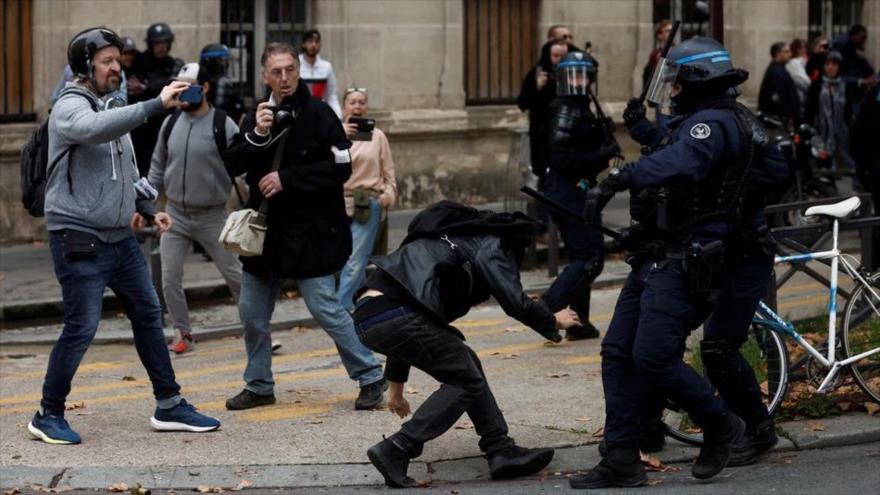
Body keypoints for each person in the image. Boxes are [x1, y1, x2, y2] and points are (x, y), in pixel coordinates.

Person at [573, 37, 769, 488]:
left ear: (698, 81)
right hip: (656, 256)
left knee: (654, 358)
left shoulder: (715, 124)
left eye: (678, 82)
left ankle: (720, 423)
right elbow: (675, 196)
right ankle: (621, 457)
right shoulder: (694, 122)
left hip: (686, 263)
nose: (672, 91)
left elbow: (680, 166)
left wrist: (618, 178)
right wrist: (637, 232)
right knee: (618, 353)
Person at [29, 27, 221, 445]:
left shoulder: (112, 103)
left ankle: (169, 404)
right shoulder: (68, 106)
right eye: (107, 61)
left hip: (119, 238)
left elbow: (124, 172)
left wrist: (148, 211)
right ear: (85, 66)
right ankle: (48, 413)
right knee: (82, 327)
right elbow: (95, 129)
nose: (117, 67)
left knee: (149, 316)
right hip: (78, 236)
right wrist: (156, 104)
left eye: (118, 60)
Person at [353, 201, 580, 488]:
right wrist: (552, 319)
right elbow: (514, 300)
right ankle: (398, 448)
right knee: (466, 378)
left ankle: (500, 449)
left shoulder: (446, 244)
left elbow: (407, 323)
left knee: (465, 361)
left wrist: (396, 392)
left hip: (368, 318)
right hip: (397, 314)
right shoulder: (492, 243)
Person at [223, 42, 386, 411]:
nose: (284, 78)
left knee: (326, 308)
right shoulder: (256, 116)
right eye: (276, 72)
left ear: (299, 71)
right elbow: (233, 163)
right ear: (264, 76)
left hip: (310, 232)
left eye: (290, 70)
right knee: (251, 313)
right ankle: (259, 384)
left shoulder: (320, 114)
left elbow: (341, 167)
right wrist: (257, 136)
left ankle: (371, 375)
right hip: (266, 236)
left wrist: (288, 179)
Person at [147, 62, 243, 354]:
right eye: (179, 85)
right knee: (169, 277)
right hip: (175, 215)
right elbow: (157, 167)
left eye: (188, 86)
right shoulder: (171, 123)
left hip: (213, 215)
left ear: (206, 88)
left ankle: (256, 327)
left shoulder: (223, 124)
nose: (183, 92)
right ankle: (182, 333)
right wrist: (147, 206)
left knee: (237, 275)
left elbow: (243, 167)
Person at [540, 51, 619, 341]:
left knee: (582, 255)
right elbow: (563, 160)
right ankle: (547, 309)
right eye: (572, 74)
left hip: (578, 191)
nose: (578, 80)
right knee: (589, 257)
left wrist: (603, 139)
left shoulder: (583, 106)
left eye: (582, 74)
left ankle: (578, 321)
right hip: (568, 192)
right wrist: (602, 152)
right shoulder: (566, 109)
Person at [336, 87, 398, 312]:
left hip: (368, 204)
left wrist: (387, 197)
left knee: (355, 261)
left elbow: (389, 173)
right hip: (338, 204)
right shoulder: (333, 135)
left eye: (362, 102)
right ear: (344, 107)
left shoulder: (378, 136)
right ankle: (360, 309)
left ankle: (339, 312)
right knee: (346, 261)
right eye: (352, 102)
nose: (357, 106)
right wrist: (338, 136)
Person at [129, 22, 184, 176]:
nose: (160, 47)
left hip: (164, 121)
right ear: (150, 44)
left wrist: (147, 87)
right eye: (157, 43)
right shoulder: (140, 62)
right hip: (142, 124)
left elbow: (174, 83)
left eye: (164, 43)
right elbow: (133, 86)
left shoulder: (173, 63)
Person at [517, 39, 569, 181]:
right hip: (542, 134)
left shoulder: (571, 75)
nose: (559, 60)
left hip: (567, 133)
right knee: (545, 176)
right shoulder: (537, 73)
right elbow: (523, 103)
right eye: (555, 56)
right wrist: (538, 87)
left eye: (563, 56)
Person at [805, 51, 856, 172]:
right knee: (822, 161)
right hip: (821, 130)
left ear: (839, 67)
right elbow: (810, 108)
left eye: (834, 64)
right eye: (827, 64)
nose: (830, 67)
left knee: (846, 161)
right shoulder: (817, 85)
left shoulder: (844, 85)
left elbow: (848, 108)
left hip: (841, 129)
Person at [851, 82, 880, 269]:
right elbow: (857, 132)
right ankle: (871, 266)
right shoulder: (875, 93)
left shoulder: (875, 91)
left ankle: (871, 266)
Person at [834, 24, 877, 117]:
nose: (864, 41)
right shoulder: (844, 48)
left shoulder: (854, 52)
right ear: (853, 36)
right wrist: (861, 81)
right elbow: (840, 76)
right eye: (862, 37)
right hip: (846, 96)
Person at [298, 29, 341, 118]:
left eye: (316, 41)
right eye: (310, 41)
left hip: (321, 111)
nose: (313, 45)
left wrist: (338, 115)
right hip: (301, 111)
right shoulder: (296, 64)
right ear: (303, 44)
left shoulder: (326, 66)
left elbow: (332, 95)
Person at [200, 43, 245, 124]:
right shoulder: (222, 82)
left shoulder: (202, 80)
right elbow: (219, 110)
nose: (225, 64)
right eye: (221, 60)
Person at [758, 41, 800, 125]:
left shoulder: (779, 69)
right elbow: (779, 97)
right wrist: (787, 116)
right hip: (777, 120)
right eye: (787, 51)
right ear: (778, 53)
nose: (790, 54)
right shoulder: (776, 72)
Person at [786, 38, 811, 106]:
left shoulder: (805, 61)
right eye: (800, 48)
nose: (804, 50)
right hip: (799, 99)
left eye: (805, 47)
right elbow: (804, 82)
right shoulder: (794, 63)